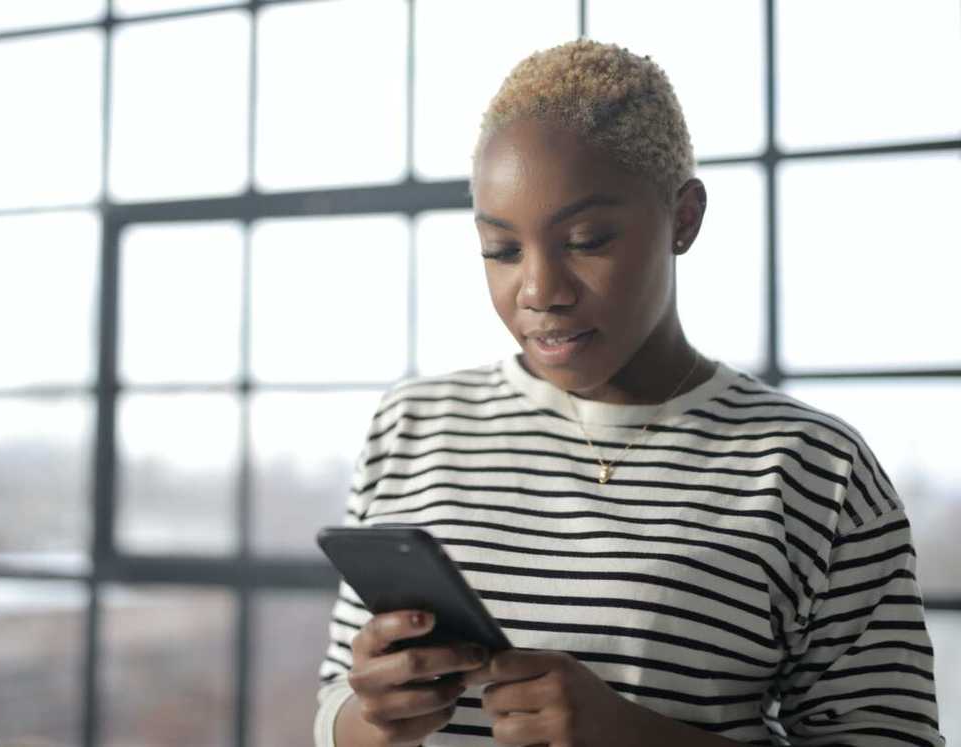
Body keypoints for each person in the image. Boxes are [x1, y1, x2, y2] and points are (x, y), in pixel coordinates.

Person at [313, 39, 944, 747]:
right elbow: (338, 696)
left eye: (586, 239)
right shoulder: (414, 423)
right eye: (502, 249)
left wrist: (637, 737)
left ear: (683, 218)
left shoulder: (814, 470)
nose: (539, 291)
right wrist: (370, 716)